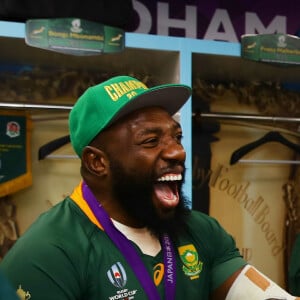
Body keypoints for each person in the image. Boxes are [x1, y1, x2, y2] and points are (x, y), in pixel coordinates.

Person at [0, 75, 298, 300]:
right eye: (151, 141)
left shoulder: (201, 232)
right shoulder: (47, 254)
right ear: (97, 162)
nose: (177, 152)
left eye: (176, 137)